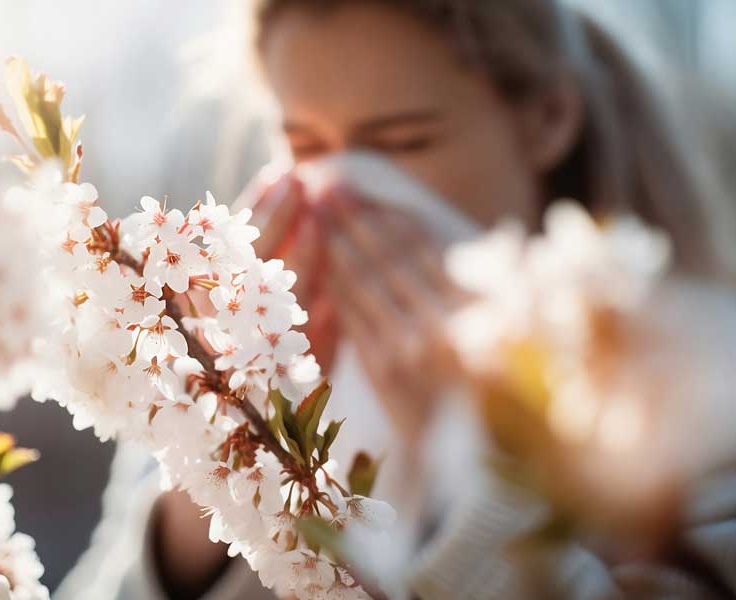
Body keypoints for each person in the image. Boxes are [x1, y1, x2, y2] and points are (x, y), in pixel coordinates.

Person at [57, 1, 736, 598]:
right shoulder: (216, 365)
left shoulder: (701, 385)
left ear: (547, 120)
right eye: (306, 147)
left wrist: (467, 455)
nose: (348, 186)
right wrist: (208, 479)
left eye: (401, 143)